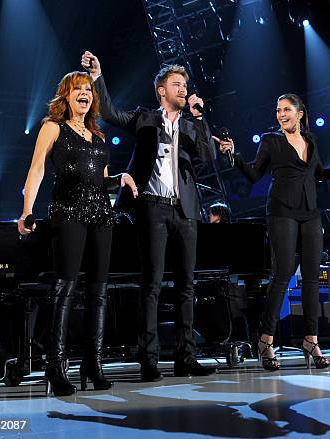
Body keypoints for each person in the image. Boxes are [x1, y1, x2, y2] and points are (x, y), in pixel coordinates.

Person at [81, 51, 217, 380]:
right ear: (161, 90)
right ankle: (149, 359)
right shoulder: (145, 119)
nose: (183, 90)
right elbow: (111, 113)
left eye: (185, 85)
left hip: (184, 211)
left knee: (187, 284)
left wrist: (199, 118)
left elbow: (209, 157)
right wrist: (99, 78)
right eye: (177, 85)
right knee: (152, 284)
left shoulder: (190, 124)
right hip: (152, 208)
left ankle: (187, 357)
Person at [18, 71, 138, 396]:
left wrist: (120, 178)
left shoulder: (97, 136)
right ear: (66, 96)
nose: (84, 93)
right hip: (68, 213)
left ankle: (92, 363)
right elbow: (37, 169)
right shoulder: (52, 127)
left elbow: (100, 180)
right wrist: (27, 210)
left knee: (99, 292)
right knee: (65, 289)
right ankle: (55, 366)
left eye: (88, 89)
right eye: (78, 90)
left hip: (101, 215)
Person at [217, 93, 330, 371]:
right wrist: (234, 155)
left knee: (312, 277)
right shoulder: (271, 141)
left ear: (300, 113)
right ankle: (265, 340)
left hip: (310, 212)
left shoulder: (311, 141)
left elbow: (320, 175)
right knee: (283, 274)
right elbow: (254, 175)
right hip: (281, 211)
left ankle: (311, 340)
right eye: (278, 110)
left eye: (287, 109)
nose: (281, 114)